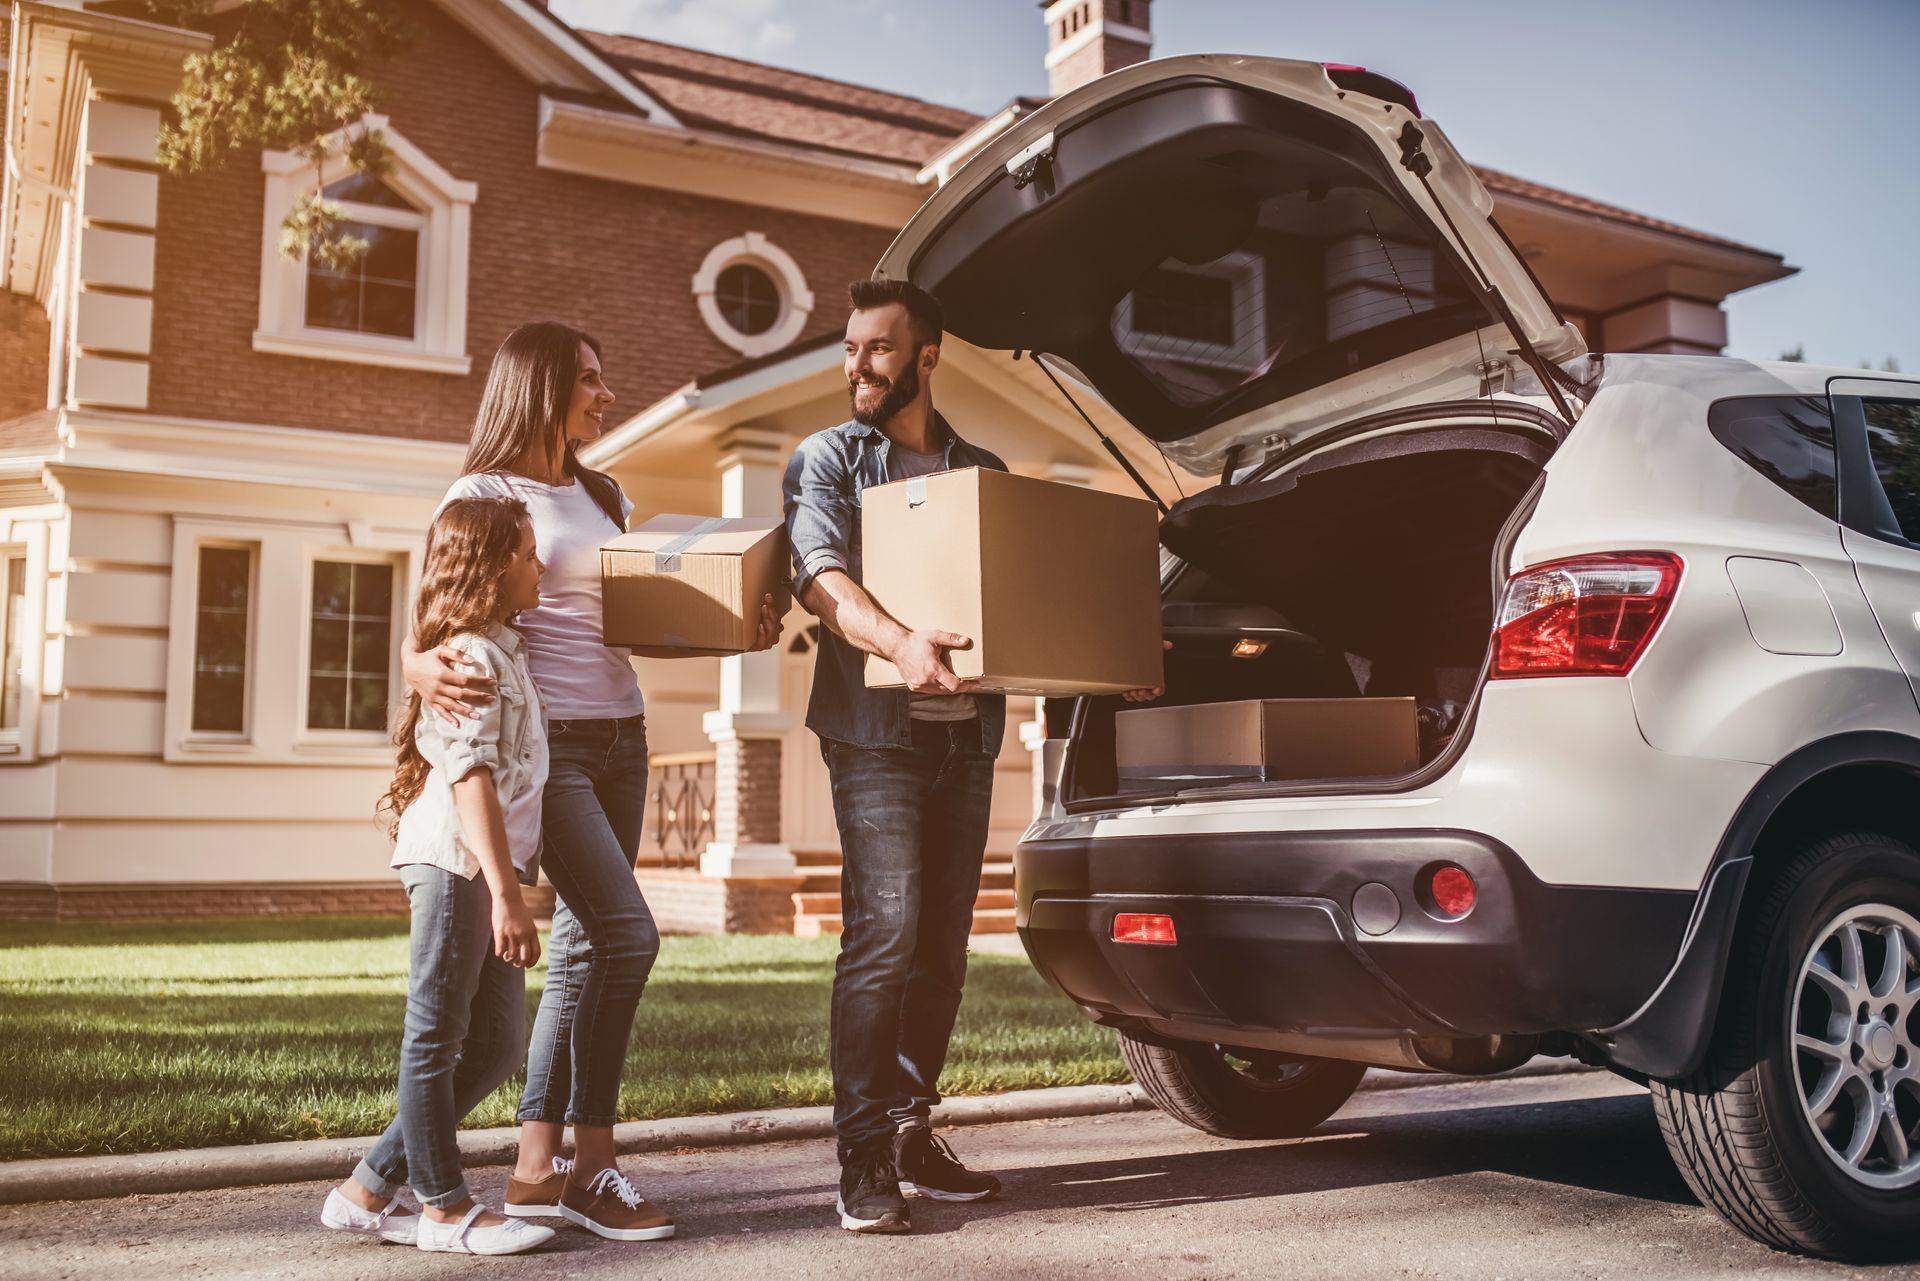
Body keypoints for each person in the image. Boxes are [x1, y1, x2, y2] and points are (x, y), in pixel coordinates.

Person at [783, 280, 1165, 1235]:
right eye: (849, 348)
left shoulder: (978, 471)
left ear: (926, 357)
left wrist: (1112, 665)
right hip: (875, 740)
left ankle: (912, 1128)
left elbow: (1029, 606)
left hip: (966, 741)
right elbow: (822, 577)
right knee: (885, 937)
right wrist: (903, 641)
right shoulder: (829, 457)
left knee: (942, 949)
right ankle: (863, 1155)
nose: (856, 366)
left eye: (877, 348)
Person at [403, 322, 778, 1243]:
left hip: (624, 732)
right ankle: (592, 1162)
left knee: (582, 947)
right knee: (627, 934)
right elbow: (435, 616)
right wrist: (416, 672)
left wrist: (736, 627)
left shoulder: (603, 491)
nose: (606, 396)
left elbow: (623, 622)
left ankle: (538, 1166)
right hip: (551, 744)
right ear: (540, 386)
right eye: (591, 380)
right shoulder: (481, 492)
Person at [321, 497, 555, 1257]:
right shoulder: (470, 658)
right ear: (492, 568)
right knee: (436, 1037)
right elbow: (469, 779)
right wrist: (506, 892)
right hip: (456, 862)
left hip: (481, 865)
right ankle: (444, 1207)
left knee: (492, 1046)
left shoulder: (502, 646)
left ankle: (365, 1189)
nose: (540, 565)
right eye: (527, 553)